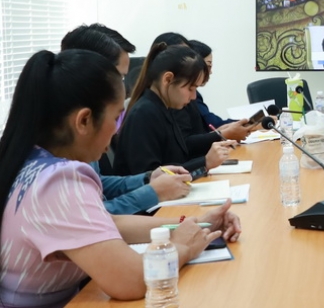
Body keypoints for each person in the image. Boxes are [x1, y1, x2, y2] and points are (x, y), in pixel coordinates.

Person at [0, 49, 241, 307]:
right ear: (84, 120)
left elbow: (108, 222)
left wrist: (197, 224)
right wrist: (183, 247)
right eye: (116, 118)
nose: (117, 131)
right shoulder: (59, 182)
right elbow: (132, 280)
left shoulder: (31, 160)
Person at [60, 24, 193, 214]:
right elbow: (92, 216)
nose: (122, 87)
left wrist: (148, 178)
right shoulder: (61, 140)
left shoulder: (84, 124)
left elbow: (97, 183)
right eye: (120, 77)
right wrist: (153, 192)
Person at [114, 43, 235, 178]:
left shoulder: (165, 107)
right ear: (168, 79)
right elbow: (150, 177)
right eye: (190, 88)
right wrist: (205, 162)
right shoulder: (144, 113)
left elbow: (179, 158)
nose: (194, 96)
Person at [188, 39, 234, 128]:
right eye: (208, 66)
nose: (211, 72)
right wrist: (249, 123)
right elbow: (213, 123)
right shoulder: (190, 95)